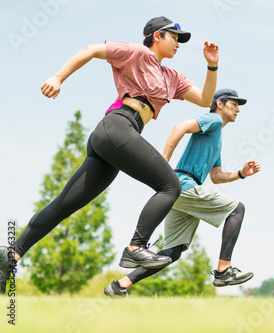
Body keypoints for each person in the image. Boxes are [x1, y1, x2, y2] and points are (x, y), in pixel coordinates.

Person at [0, 16, 221, 294]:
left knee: (63, 206)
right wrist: (58, 77)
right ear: (156, 36)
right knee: (170, 186)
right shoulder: (137, 53)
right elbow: (90, 50)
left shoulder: (172, 77)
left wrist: (211, 64)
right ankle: (136, 247)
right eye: (174, 37)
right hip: (117, 126)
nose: (178, 43)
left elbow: (204, 100)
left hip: (117, 138)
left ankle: (11, 255)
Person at [103, 88, 260, 297]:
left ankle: (120, 286)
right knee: (236, 209)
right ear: (219, 104)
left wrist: (241, 173)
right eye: (234, 104)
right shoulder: (213, 119)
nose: (238, 110)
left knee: (173, 252)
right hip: (185, 186)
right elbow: (179, 127)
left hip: (181, 191)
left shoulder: (217, 136)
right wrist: (163, 163)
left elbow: (216, 176)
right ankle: (224, 269)